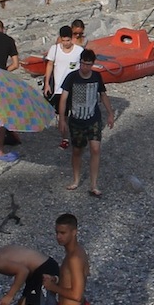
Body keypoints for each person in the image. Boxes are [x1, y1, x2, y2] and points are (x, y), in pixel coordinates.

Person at [59, 48, 113, 195]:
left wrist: (110, 113)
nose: (85, 67)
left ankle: (94, 184)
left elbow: (103, 95)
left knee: (95, 149)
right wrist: (62, 119)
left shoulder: (96, 76)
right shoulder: (71, 77)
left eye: (88, 64)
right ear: (80, 62)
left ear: (92, 64)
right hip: (76, 120)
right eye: (83, 64)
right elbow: (63, 99)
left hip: (93, 118)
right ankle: (76, 180)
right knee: (77, 151)